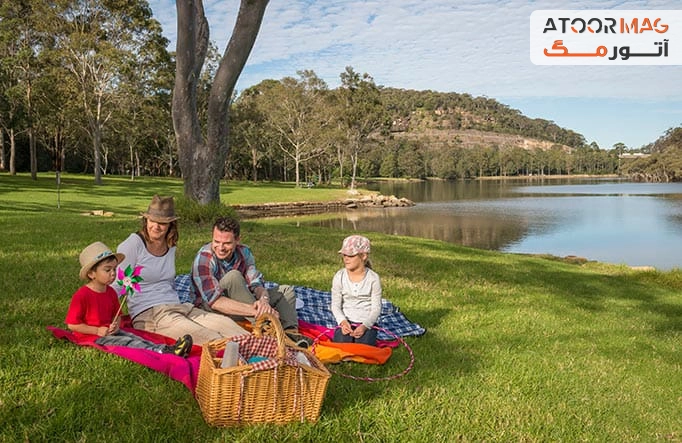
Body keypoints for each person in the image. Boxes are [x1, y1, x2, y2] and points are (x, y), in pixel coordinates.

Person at [115, 195, 247, 345]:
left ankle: (271, 356)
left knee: (231, 328)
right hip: (150, 314)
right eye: (152, 221)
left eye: (162, 223)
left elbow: (168, 282)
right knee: (213, 339)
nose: (156, 227)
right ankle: (246, 363)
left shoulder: (169, 244)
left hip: (178, 306)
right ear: (146, 220)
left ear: (171, 225)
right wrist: (104, 317)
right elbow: (117, 283)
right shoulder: (133, 244)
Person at [190, 216, 311, 347]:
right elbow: (214, 301)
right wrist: (259, 312)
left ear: (237, 240)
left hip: (243, 304)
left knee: (286, 291)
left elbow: (256, 284)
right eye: (216, 241)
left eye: (227, 243)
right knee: (233, 277)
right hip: (213, 308)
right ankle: (267, 330)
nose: (221, 247)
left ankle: (291, 334)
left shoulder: (244, 252)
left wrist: (264, 301)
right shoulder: (204, 258)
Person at [66, 241, 193, 357]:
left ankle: (166, 348)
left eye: (115, 269)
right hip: (91, 336)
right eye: (107, 270)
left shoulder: (110, 292)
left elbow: (117, 314)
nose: (113, 273)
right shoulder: (82, 295)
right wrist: (97, 330)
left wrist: (115, 325)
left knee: (133, 336)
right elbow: (72, 325)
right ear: (91, 274)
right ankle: (161, 352)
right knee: (126, 342)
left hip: (108, 331)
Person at [330, 235, 382, 346]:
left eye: (350, 255)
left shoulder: (373, 278)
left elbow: (376, 308)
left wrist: (365, 326)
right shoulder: (339, 276)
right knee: (341, 345)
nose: (346, 259)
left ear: (363, 256)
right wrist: (343, 322)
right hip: (346, 321)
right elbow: (335, 305)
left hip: (366, 323)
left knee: (364, 346)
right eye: (344, 255)